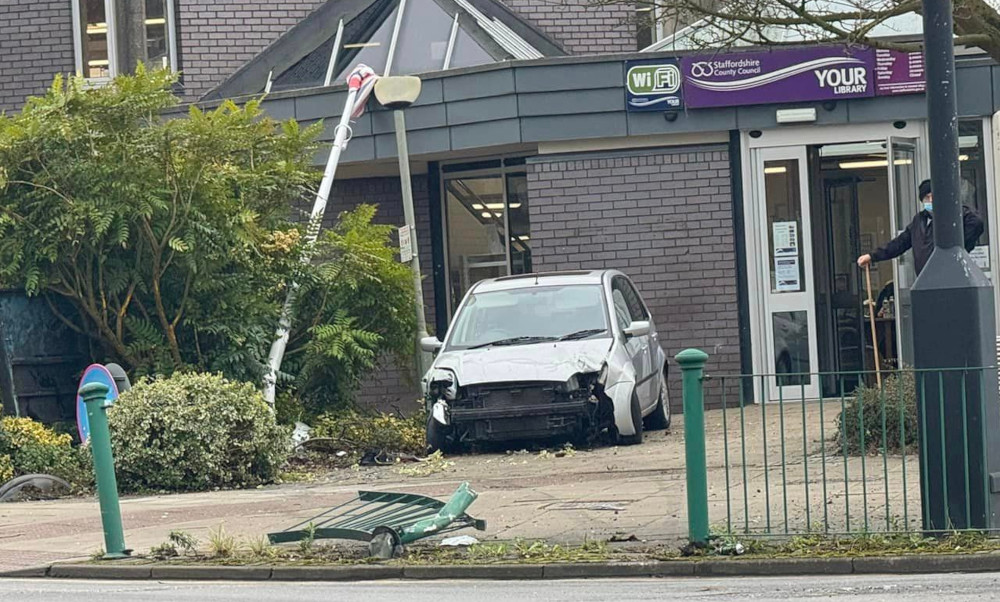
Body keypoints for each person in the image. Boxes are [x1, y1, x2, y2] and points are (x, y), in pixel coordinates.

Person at [857, 179, 984, 276]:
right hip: (924, 280)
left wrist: (959, 246)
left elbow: (976, 222)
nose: (930, 200)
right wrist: (873, 256)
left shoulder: (951, 217)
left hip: (948, 277)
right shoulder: (919, 221)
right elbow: (899, 243)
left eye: (933, 196)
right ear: (922, 200)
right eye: (927, 197)